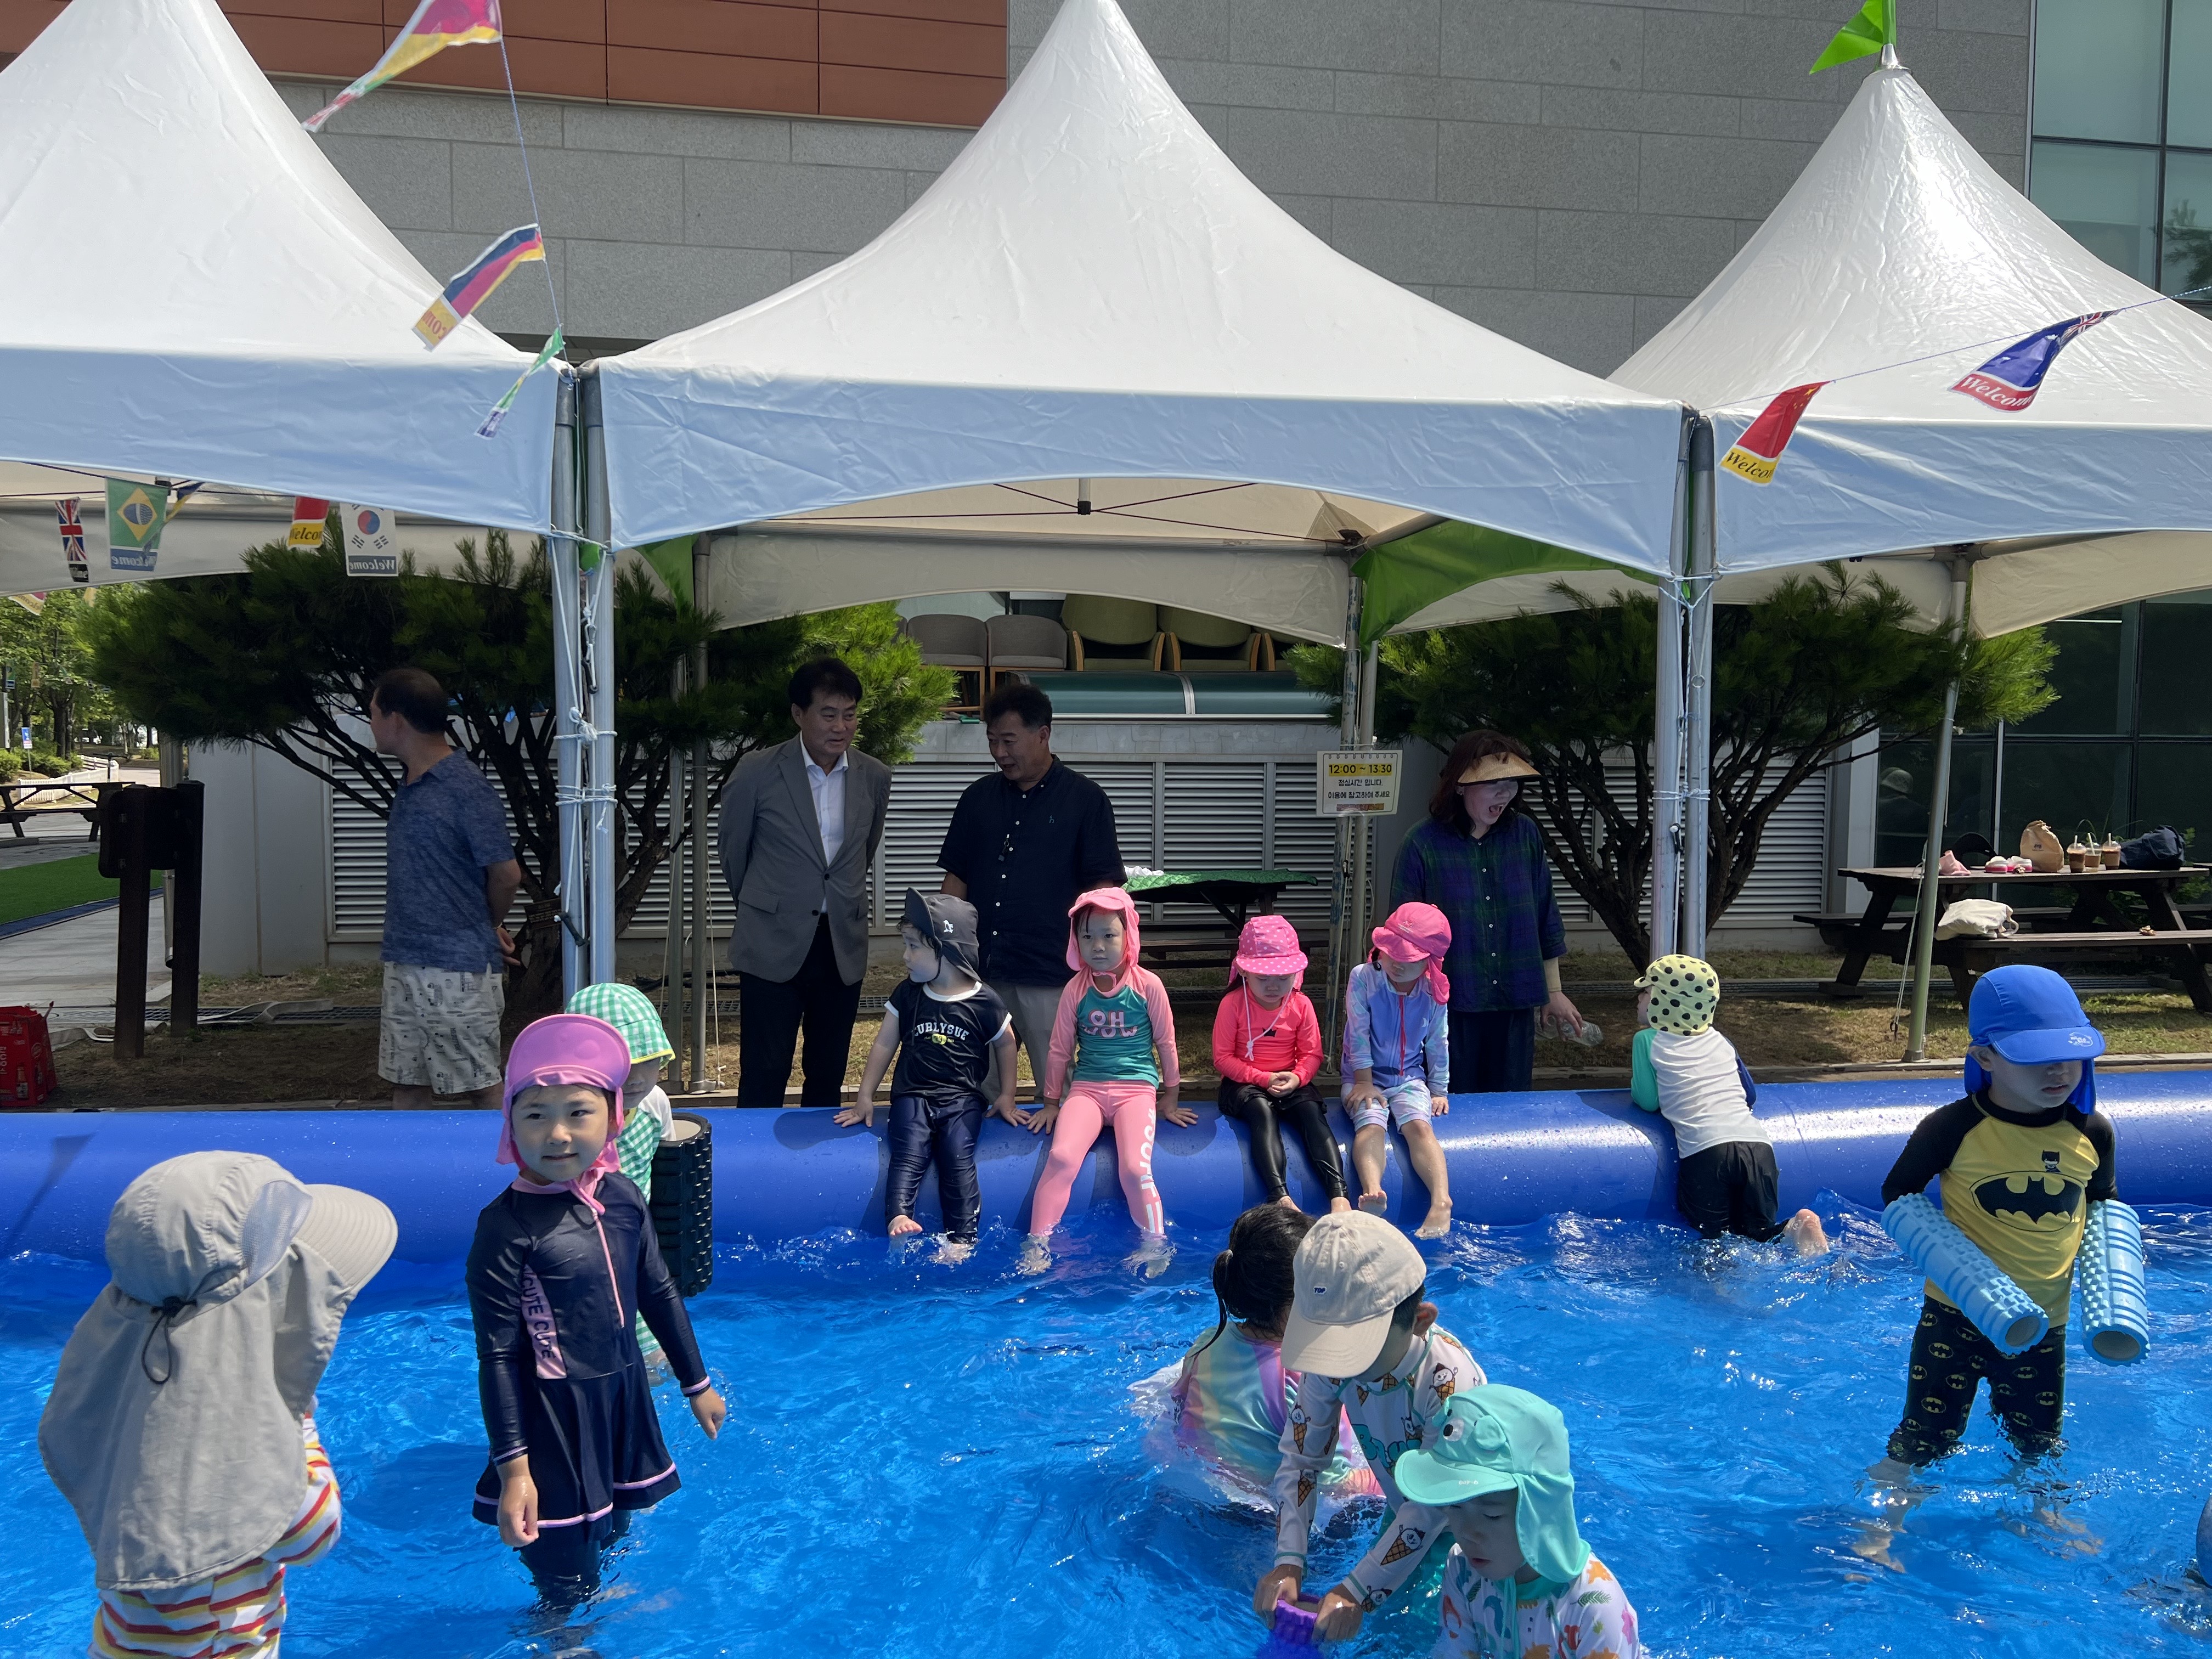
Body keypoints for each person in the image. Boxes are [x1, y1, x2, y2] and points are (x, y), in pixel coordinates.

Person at [40, 1151, 397, 1659]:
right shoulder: (238, 1431)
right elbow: (311, 1534)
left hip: (119, 1641)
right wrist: (297, 1425)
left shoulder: (126, 1376)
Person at [468, 1014, 727, 1607]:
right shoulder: (506, 1229)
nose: (558, 1134)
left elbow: (658, 1292)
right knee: (564, 1574)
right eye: (536, 1115)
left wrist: (697, 1384)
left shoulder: (623, 1198)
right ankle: (562, 1633)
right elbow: (498, 1356)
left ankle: (598, 1608)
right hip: (552, 1418)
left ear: (612, 1118)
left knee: (612, 1532)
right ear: (510, 1125)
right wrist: (515, 1471)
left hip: (620, 1398)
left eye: (578, 1112)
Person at [1876, 965, 2115, 1469]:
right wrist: (1949, 1259)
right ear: (1985, 1057)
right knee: (1924, 1437)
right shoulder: (1952, 1128)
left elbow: (2102, 1203)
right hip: (1954, 1317)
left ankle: (2040, 1506)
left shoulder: (2092, 1131)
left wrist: (2116, 1292)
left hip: (2045, 1323)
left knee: (2037, 1443)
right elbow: (1898, 1191)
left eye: (2070, 1056)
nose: (2059, 1071)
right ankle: (1890, 1502)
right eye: (2037, 1059)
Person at [1254, 1210, 1488, 1641]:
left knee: (1439, 1637)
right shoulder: (1332, 1364)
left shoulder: (1449, 1385)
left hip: (1478, 1530)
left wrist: (1357, 1591)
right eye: (1328, 1346)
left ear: (1420, 1321)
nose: (1337, 1367)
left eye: (1353, 1353)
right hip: (1406, 1510)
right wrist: (1288, 1560)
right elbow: (1301, 1461)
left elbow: (1433, 1506)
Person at [719, 657, 893, 1109]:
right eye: (829, 714)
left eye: (850, 715)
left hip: (841, 941)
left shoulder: (874, 775)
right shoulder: (757, 771)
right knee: (764, 1069)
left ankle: (817, 1153)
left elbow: (863, 851)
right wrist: (767, 903)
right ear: (799, 714)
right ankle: (757, 1151)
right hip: (772, 937)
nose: (841, 727)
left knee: (829, 1069)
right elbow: (734, 852)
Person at [939, 681, 1124, 1094]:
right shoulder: (977, 799)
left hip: (1052, 972)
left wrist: (1104, 962)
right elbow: (956, 879)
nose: (999, 753)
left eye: (1009, 741)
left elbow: (1102, 891)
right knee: (977, 1085)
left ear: (1043, 734)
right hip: (982, 971)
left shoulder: (1086, 800)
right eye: (992, 741)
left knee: (1059, 1089)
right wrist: (946, 948)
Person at [836, 889, 1028, 1258]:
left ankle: (962, 1238)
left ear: (947, 951)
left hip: (962, 1100)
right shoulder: (908, 995)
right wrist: (864, 1098)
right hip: (913, 1095)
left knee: (958, 1158)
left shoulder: (984, 1000)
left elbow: (1006, 1044)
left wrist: (1006, 1096)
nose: (905, 956)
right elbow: (884, 1044)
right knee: (908, 1152)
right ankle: (898, 1216)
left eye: (913, 947)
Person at [1391, 730, 1582, 1095]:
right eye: (1493, 783)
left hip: (1515, 997)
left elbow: (1545, 914)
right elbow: (1401, 934)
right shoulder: (1422, 843)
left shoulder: (1524, 835)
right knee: (1449, 1103)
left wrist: (1554, 991)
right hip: (1447, 1004)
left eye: (1511, 783)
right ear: (1459, 785)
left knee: (1510, 1105)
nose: (1504, 793)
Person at [1395, 1385, 1643, 1659]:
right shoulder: (1462, 1568)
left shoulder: (1594, 1608)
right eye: (1455, 1506)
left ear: (1541, 1512)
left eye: (1492, 1515)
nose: (1467, 1533)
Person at [369, 665, 521, 1109]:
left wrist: (484, 924)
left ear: (396, 719)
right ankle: (404, 1159)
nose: (371, 724)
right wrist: (482, 921)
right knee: (407, 1082)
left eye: (373, 713)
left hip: (456, 968)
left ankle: (510, 1157)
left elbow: (507, 874)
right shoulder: (412, 783)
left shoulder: (465, 787)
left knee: (481, 1084)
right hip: (404, 957)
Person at [1025, 887, 1194, 1271]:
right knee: (1061, 1157)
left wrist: (1170, 1097)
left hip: (1136, 1091)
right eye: (1087, 937)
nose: (1098, 946)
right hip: (1087, 1090)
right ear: (1076, 941)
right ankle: (1037, 1244)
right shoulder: (1076, 989)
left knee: (1134, 1168)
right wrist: (1051, 1102)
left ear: (1128, 936)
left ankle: (1155, 1245)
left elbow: (1166, 1043)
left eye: (1108, 935)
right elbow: (1059, 1049)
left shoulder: (1147, 986)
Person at [1165, 1204, 1374, 1498]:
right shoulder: (1305, 1380)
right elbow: (1332, 1485)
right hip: (1254, 1511)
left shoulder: (1208, 1342)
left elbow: (1176, 1404)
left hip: (1197, 1486)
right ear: (1296, 1301)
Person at [1627, 954, 1826, 1252]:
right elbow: (1749, 1094)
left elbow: (1647, 1101)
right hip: (1758, 1147)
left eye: (1646, 992)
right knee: (1758, 1236)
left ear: (1663, 1002)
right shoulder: (1720, 1040)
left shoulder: (1647, 1040)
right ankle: (1794, 1226)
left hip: (1706, 1151)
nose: (1639, 998)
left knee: (1713, 1243)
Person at [566, 980, 680, 1358]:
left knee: (657, 1361)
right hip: (580, 1256)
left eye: (647, 1061)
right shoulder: (570, 1118)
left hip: (634, 1250)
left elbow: (665, 1175)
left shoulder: (655, 1103)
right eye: (620, 1064)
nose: (635, 1078)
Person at [1214, 915, 1347, 1214]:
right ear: (1244, 971)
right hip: (1243, 1083)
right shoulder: (1233, 1004)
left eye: (1283, 978)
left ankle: (1339, 1195)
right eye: (1263, 978)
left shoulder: (1300, 1004)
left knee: (1311, 1112)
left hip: (1290, 1079)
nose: (1273, 986)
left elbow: (1312, 1055)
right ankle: (1279, 1195)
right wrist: (1262, 1079)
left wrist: (1298, 1078)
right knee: (1262, 1112)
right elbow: (1223, 1059)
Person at [1344, 902, 1456, 1239]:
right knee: (1370, 1125)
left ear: (1430, 961)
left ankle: (1441, 1201)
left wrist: (1439, 1089)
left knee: (1419, 1127)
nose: (1395, 963)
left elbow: (1438, 1042)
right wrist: (1364, 1082)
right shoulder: (1364, 978)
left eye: (1408, 958)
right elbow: (1357, 1034)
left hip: (1409, 1076)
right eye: (1390, 951)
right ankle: (1373, 1192)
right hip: (1365, 1077)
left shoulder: (1434, 992)